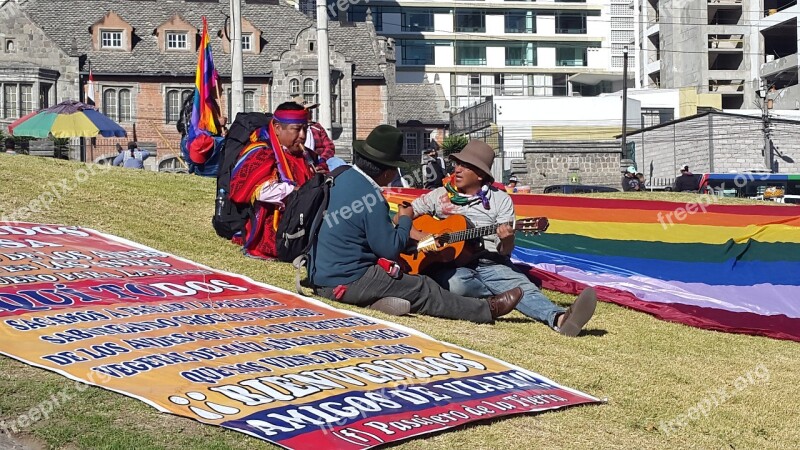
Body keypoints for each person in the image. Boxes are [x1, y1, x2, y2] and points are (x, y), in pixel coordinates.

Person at [310, 125, 523, 323]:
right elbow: (390, 248)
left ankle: (377, 301)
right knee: (423, 287)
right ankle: (486, 310)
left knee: (400, 279)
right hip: (346, 280)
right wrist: (404, 220)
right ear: (387, 172)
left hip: (318, 274)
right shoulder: (371, 197)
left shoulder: (340, 176)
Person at [409, 140, 597, 336]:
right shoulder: (439, 195)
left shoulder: (501, 200)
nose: (457, 170)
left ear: (480, 174)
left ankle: (559, 318)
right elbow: (404, 214)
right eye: (457, 164)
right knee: (457, 284)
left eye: (465, 166)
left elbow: (505, 251)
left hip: (490, 261)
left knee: (520, 286)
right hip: (451, 264)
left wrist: (506, 238)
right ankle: (504, 293)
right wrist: (420, 235)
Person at [228, 101, 327, 259]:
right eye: (296, 129)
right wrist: (298, 193)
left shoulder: (309, 156)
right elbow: (256, 191)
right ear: (277, 128)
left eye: (305, 129)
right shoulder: (261, 153)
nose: (302, 135)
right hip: (274, 228)